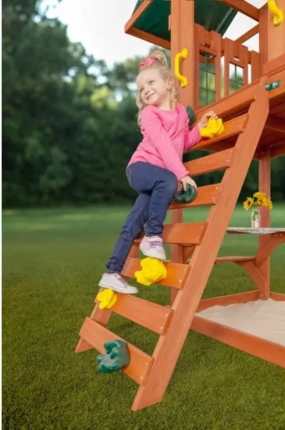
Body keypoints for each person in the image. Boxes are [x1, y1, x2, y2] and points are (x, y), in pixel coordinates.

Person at [98, 50, 218, 294]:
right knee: (169, 179)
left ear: (169, 83)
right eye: (141, 88)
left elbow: (182, 143)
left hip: (159, 178)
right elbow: (163, 146)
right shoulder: (149, 114)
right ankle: (153, 236)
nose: (145, 90)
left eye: (151, 82)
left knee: (133, 222)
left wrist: (200, 129)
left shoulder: (180, 113)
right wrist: (182, 174)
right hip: (140, 168)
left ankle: (111, 272)